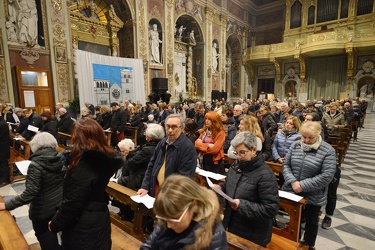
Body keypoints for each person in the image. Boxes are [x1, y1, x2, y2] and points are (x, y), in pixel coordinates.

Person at [49, 119, 123, 249]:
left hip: (84, 224)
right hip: (99, 216)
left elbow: (72, 203)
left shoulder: (85, 166)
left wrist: (55, 224)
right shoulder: (103, 160)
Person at [214, 131, 279, 247]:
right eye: (236, 152)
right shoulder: (236, 165)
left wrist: (241, 205)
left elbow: (270, 209)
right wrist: (221, 187)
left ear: (254, 150)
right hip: (233, 224)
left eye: (242, 153)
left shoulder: (265, 175)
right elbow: (231, 183)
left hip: (253, 233)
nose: (238, 157)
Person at [0, 132, 64, 249]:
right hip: (58, 206)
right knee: (55, 236)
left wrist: (7, 205)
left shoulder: (36, 164)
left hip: (42, 210)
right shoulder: (61, 158)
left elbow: (29, 193)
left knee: (45, 237)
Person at [282, 121, 336, 250]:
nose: (305, 140)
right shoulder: (295, 145)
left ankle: (309, 245)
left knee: (311, 223)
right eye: (303, 137)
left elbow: (326, 176)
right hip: (292, 190)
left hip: (314, 194)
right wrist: (293, 182)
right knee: (294, 220)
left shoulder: (328, 150)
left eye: (309, 138)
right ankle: (291, 244)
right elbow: (286, 165)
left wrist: (302, 185)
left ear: (318, 135)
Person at [141, 174, 228, 249]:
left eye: (175, 219)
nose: (169, 225)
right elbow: (148, 245)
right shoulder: (168, 217)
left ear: (193, 205)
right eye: (166, 219)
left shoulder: (215, 235)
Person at [137, 114, 197, 197]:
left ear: (182, 128)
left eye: (174, 127)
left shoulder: (188, 148)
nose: (170, 130)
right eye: (167, 126)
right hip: (156, 190)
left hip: (171, 196)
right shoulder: (163, 142)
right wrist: (145, 186)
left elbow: (184, 179)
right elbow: (151, 165)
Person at [115, 125, 165, 220]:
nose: (145, 135)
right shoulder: (153, 146)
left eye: (146, 133)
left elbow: (131, 163)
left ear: (150, 136)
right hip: (140, 175)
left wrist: (130, 154)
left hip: (139, 178)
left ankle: (126, 216)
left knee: (121, 182)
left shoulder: (148, 149)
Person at [0, 104, 10, 187]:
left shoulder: (2, 123)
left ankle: (4, 180)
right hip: (2, 146)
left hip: (2, 147)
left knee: (3, 163)